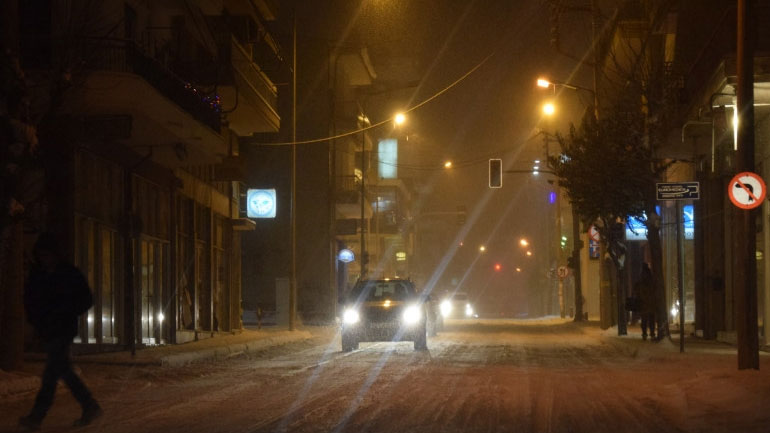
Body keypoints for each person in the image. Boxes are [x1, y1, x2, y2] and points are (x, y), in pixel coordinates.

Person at [19, 232, 102, 430]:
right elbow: (30, 300)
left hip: (62, 330)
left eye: (47, 255)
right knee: (62, 370)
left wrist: (66, 311)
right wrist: (36, 320)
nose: (44, 259)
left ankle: (37, 417)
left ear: (55, 254)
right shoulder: (38, 275)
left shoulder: (68, 273)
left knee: (51, 374)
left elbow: (85, 299)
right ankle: (89, 405)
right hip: (48, 330)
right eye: (41, 255)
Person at [635, 262, 656, 341]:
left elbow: (638, 289)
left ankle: (644, 333)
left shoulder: (641, 277)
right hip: (651, 302)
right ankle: (652, 333)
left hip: (643, 302)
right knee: (651, 319)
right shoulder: (650, 277)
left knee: (644, 320)